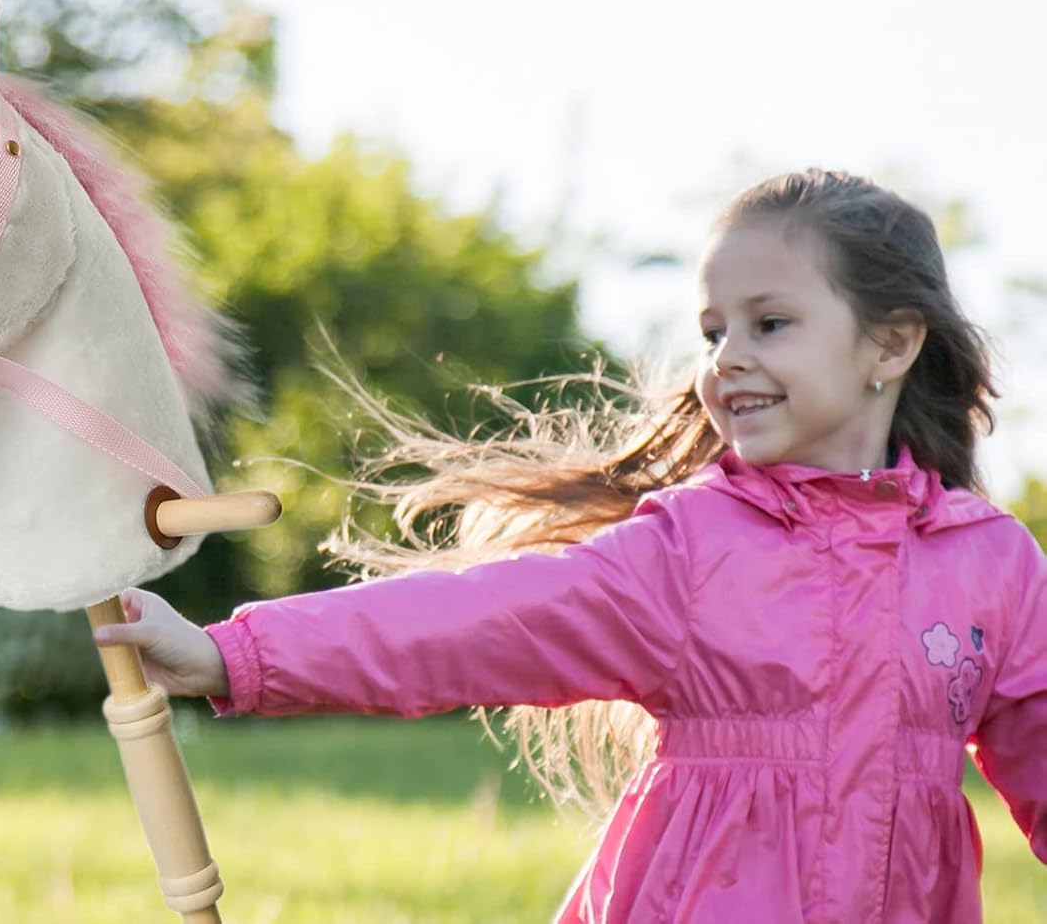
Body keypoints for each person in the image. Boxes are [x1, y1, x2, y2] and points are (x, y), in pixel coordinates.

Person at [94, 169, 1047, 923]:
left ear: (891, 345)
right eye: (714, 330)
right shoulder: (692, 549)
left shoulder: (990, 567)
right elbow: (471, 622)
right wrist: (234, 651)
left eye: (772, 323)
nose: (726, 359)